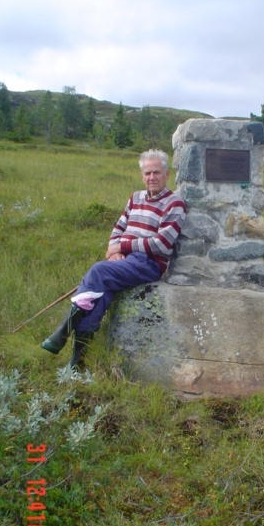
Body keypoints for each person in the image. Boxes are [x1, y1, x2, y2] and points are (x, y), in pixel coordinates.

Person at [41, 149, 186, 370]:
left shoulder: (174, 203)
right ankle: (77, 362)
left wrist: (122, 246)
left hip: (149, 263)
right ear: (142, 176)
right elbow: (118, 228)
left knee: (98, 272)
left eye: (157, 172)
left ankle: (63, 331)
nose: (152, 177)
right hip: (125, 260)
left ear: (167, 174)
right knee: (100, 293)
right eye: (147, 173)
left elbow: (161, 244)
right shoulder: (135, 198)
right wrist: (114, 251)